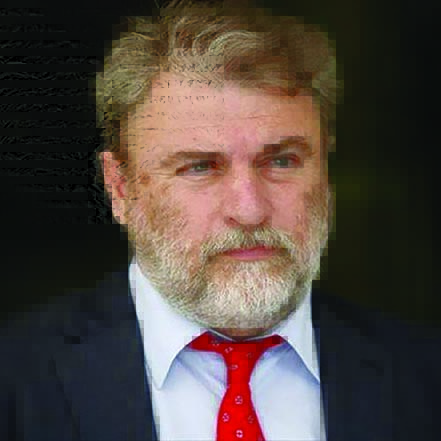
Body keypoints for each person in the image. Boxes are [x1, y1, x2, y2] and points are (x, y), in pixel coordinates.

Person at [1, 0, 440, 440]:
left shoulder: (424, 377)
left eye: (282, 161)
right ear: (120, 188)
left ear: (324, 171)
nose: (249, 210)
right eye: (200, 167)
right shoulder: (17, 380)